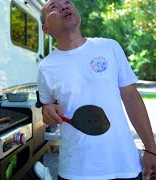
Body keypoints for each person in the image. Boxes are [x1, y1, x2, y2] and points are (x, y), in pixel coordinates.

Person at [36, 0, 156, 179]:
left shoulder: (109, 47)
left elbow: (131, 97)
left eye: (68, 2)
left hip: (124, 165)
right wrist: (47, 111)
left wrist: (151, 150)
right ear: (45, 29)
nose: (64, 6)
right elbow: (47, 109)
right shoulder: (46, 67)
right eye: (53, 7)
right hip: (76, 170)